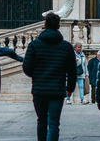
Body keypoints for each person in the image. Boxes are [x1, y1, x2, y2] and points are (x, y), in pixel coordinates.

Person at [23, 12, 77, 141]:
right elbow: (72, 70)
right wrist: (70, 87)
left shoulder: (34, 45)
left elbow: (26, 68)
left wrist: (37, 75)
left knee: (41, 121)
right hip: (57, 90)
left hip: (39, 89)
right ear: (58, 26)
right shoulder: (66, 47)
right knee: (54, 122)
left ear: (45, 25)